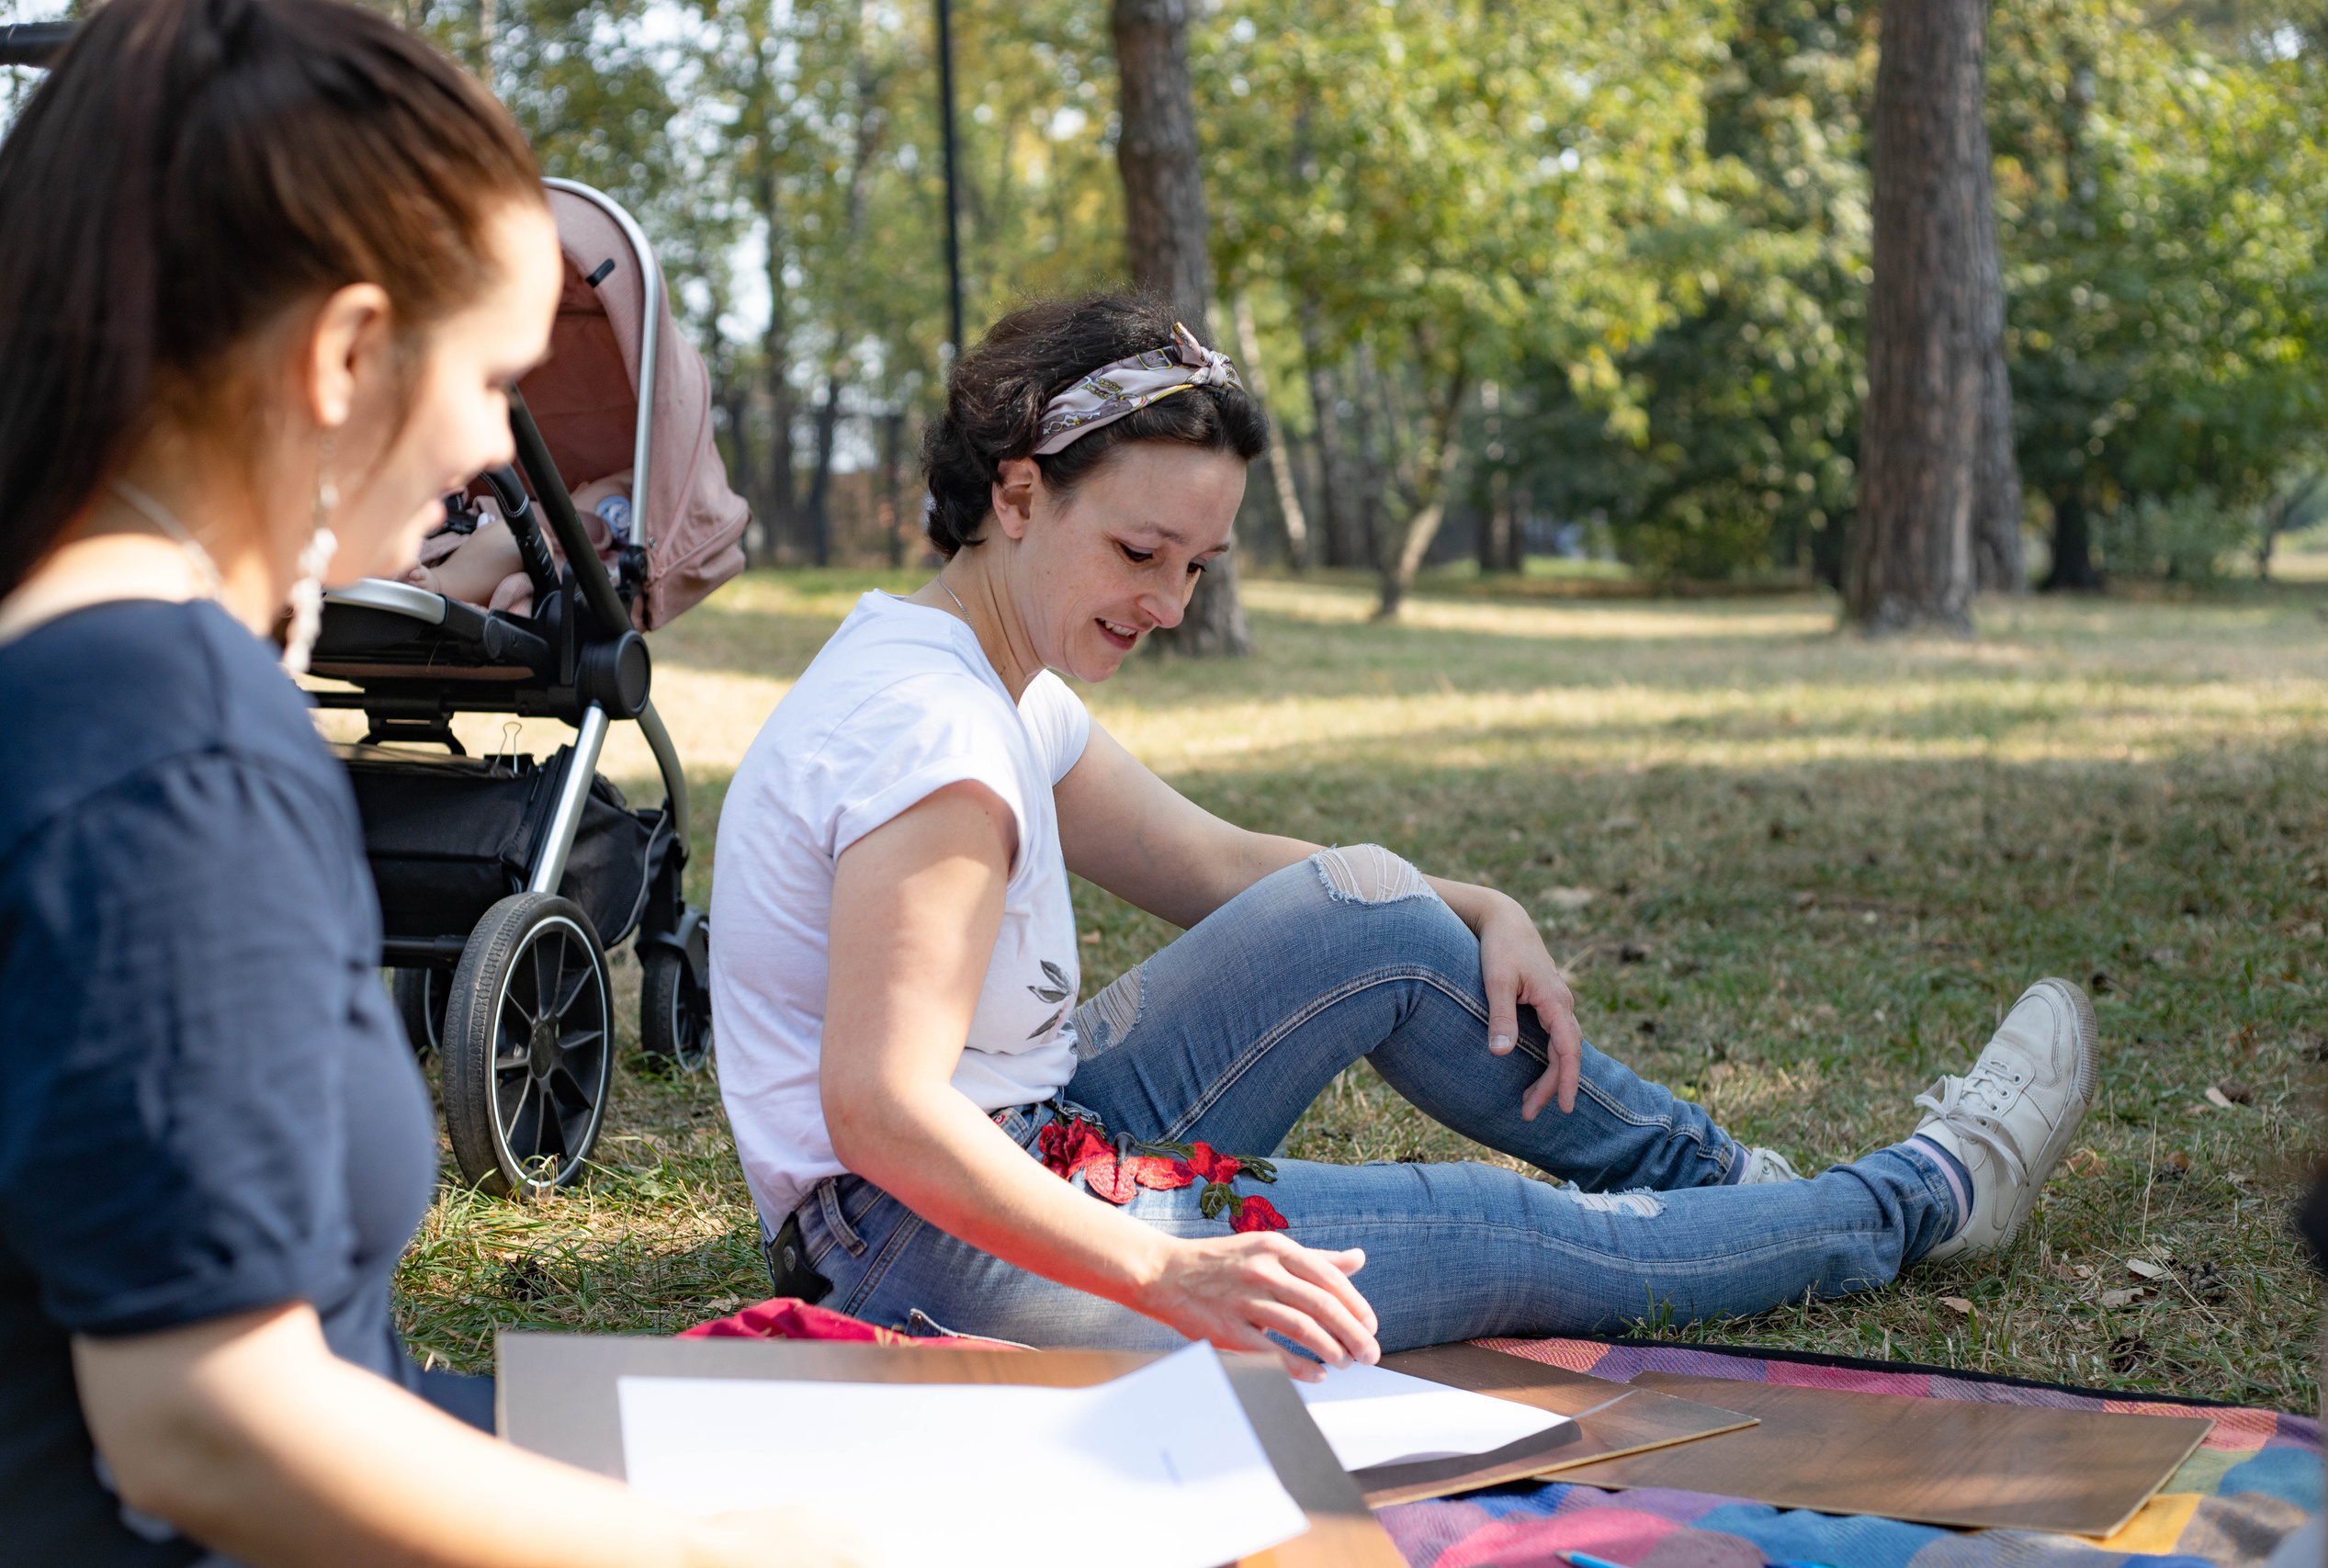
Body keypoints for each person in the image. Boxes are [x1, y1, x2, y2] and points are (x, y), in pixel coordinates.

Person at [708, 292, 2104, 1380]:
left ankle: (1730, 1191)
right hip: (928, 1249)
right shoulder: (937, 744)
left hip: (1041, 1145)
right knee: (1510, 1236)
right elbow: (880, 1108)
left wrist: (1473, 898)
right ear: (1018, 491)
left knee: (1364, 908)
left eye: (1199, 566)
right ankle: (1920, 1199)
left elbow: (1216, 868)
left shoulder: (981, 674)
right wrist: (1165, 1274)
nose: (1172, 603)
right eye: (1141, 554)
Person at [0, 1, 862, 1563]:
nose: (485, 455)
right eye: (487, 385)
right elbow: (206, 1424)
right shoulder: (173, 738)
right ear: (342, 354)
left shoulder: (65, 666)